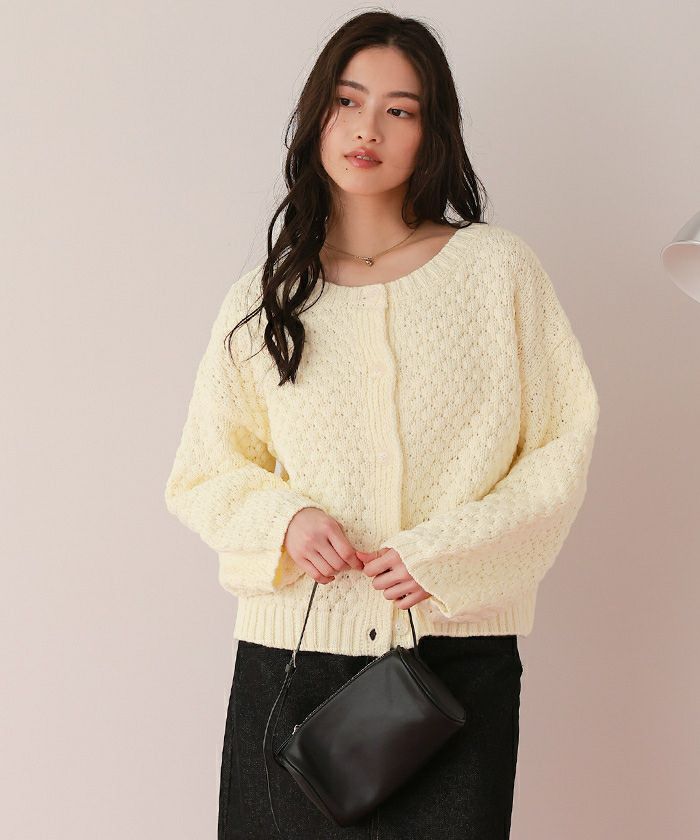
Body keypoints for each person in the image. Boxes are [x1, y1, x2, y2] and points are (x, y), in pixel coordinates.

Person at [163, 10, 600, 840]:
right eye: (348, 101)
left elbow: (561, 444)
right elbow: (203, 471)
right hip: (291, 668)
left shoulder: (496, 271)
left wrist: (445, 554)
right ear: (316, 116)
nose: (368, 129)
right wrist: (286, 521)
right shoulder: (265, 298)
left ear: (431, 134)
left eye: (400, 110)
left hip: (452, 668)